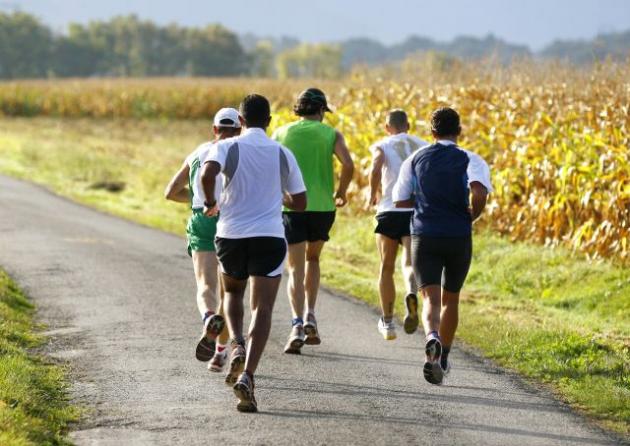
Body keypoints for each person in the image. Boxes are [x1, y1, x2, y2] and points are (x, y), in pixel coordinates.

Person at [200, 94, 306, 412]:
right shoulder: (282, 153)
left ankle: (236, 345)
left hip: (231, 234)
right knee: (263, 307)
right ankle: (248, 375)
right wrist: (281, 197)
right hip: (269, 236)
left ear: (241, 121)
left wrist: (210, 203)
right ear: (269, 121)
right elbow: (301, 202)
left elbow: (207, 175)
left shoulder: (227, 146)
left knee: (232, 293)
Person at [392, 107, 492, 385]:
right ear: (459, 131)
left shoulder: (415, 158)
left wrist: (424, 202)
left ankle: (432, 337)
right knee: (451, 299)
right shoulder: (471, 158)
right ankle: (444, 356)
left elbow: (399, 199)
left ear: (432, 132)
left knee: (431, 300)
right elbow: (479, 192)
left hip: (425, 235)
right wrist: (473, 215)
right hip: (458, 235)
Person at [272, 88, 354, 354]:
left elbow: (271, 166)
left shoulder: (281, 133)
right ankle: (310, 314)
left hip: (292, 207)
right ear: (320, 110)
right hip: (322, 207)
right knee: (314, 259)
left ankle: (296, 324)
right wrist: (341, 192)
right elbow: (348, 164)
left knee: (295, 268)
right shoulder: (331, 134)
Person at [164, 107, 241, 372]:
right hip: (231, 220)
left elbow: (171, 192)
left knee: (206, 285)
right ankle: (220, 351)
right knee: (229, 292)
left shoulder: (198, 151)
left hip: (201, 218)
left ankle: (209, 318)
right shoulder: (239, 152)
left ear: (214, 129)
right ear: (239, 129)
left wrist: (198, 199)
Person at [368, 109, 428, 340]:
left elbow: (375, 167)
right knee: (410, 263)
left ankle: (387, 322)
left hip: (389, 209)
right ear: (408, 126)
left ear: (387, 127)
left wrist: (373, 193)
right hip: (414, 210)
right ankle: (411, 292)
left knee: (386, 266)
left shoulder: (383, 145)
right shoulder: (422, 145)